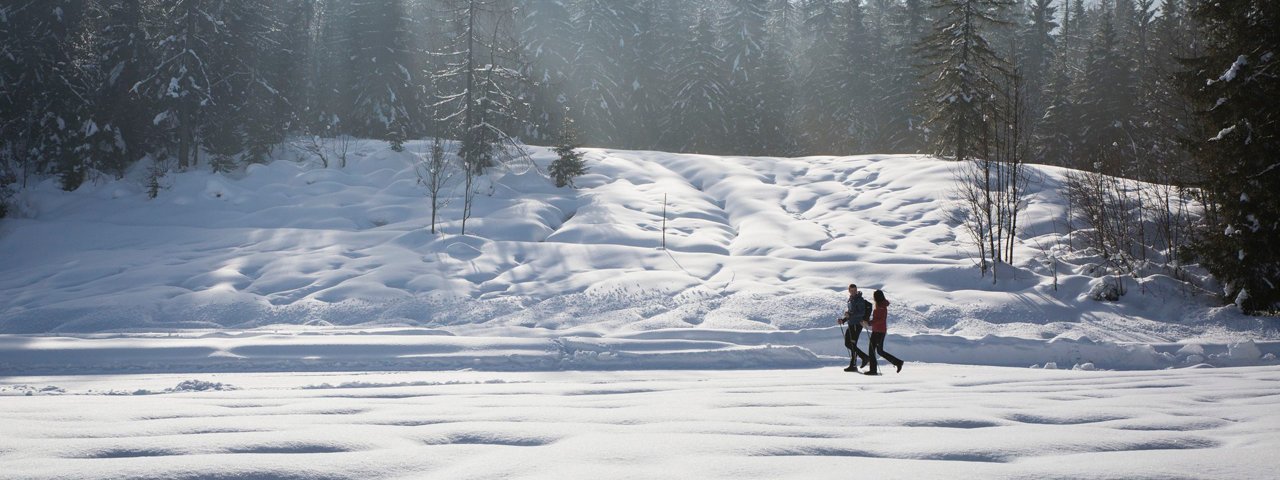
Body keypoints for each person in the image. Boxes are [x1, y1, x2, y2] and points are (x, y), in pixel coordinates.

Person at [863, 289, 904, 375]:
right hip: (877, 330)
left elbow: (881, 320)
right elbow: (877, 319)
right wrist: (870, 322)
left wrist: (870, 323)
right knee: (874, 350)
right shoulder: (880, 305)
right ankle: (874, 369)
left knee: (878, 351)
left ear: (877, 297)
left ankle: (897, 362)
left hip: (879, 331)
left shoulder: (881, 306)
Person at [837, 283, 872, 372]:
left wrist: (850, 314)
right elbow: (850, 313)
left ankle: (863, 358)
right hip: (851, 324)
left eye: (855, 290)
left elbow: (861, 313)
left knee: (851, 344)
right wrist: (843, 320)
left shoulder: (859, 299)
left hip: (856, 325)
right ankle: (855, 363)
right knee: (849, 344)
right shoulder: (850, 300)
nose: (853, 292)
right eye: (852, 290)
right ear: (849, 290)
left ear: (856, 290)